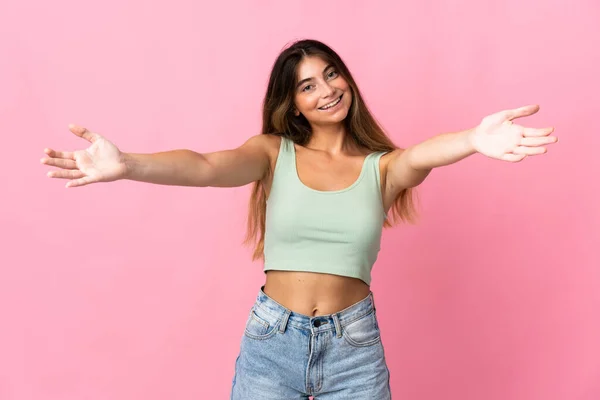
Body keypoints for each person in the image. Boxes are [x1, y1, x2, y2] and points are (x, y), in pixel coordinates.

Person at [41, 39, 557, 399]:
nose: (326, 89)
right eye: (308, 85)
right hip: (273, 339)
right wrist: (128, 164)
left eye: (331, 73)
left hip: (354, 346)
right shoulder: (272, 153)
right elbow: (204, 166)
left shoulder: (382, 169)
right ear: (293, 104)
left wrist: (472, 139)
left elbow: (420, 155)